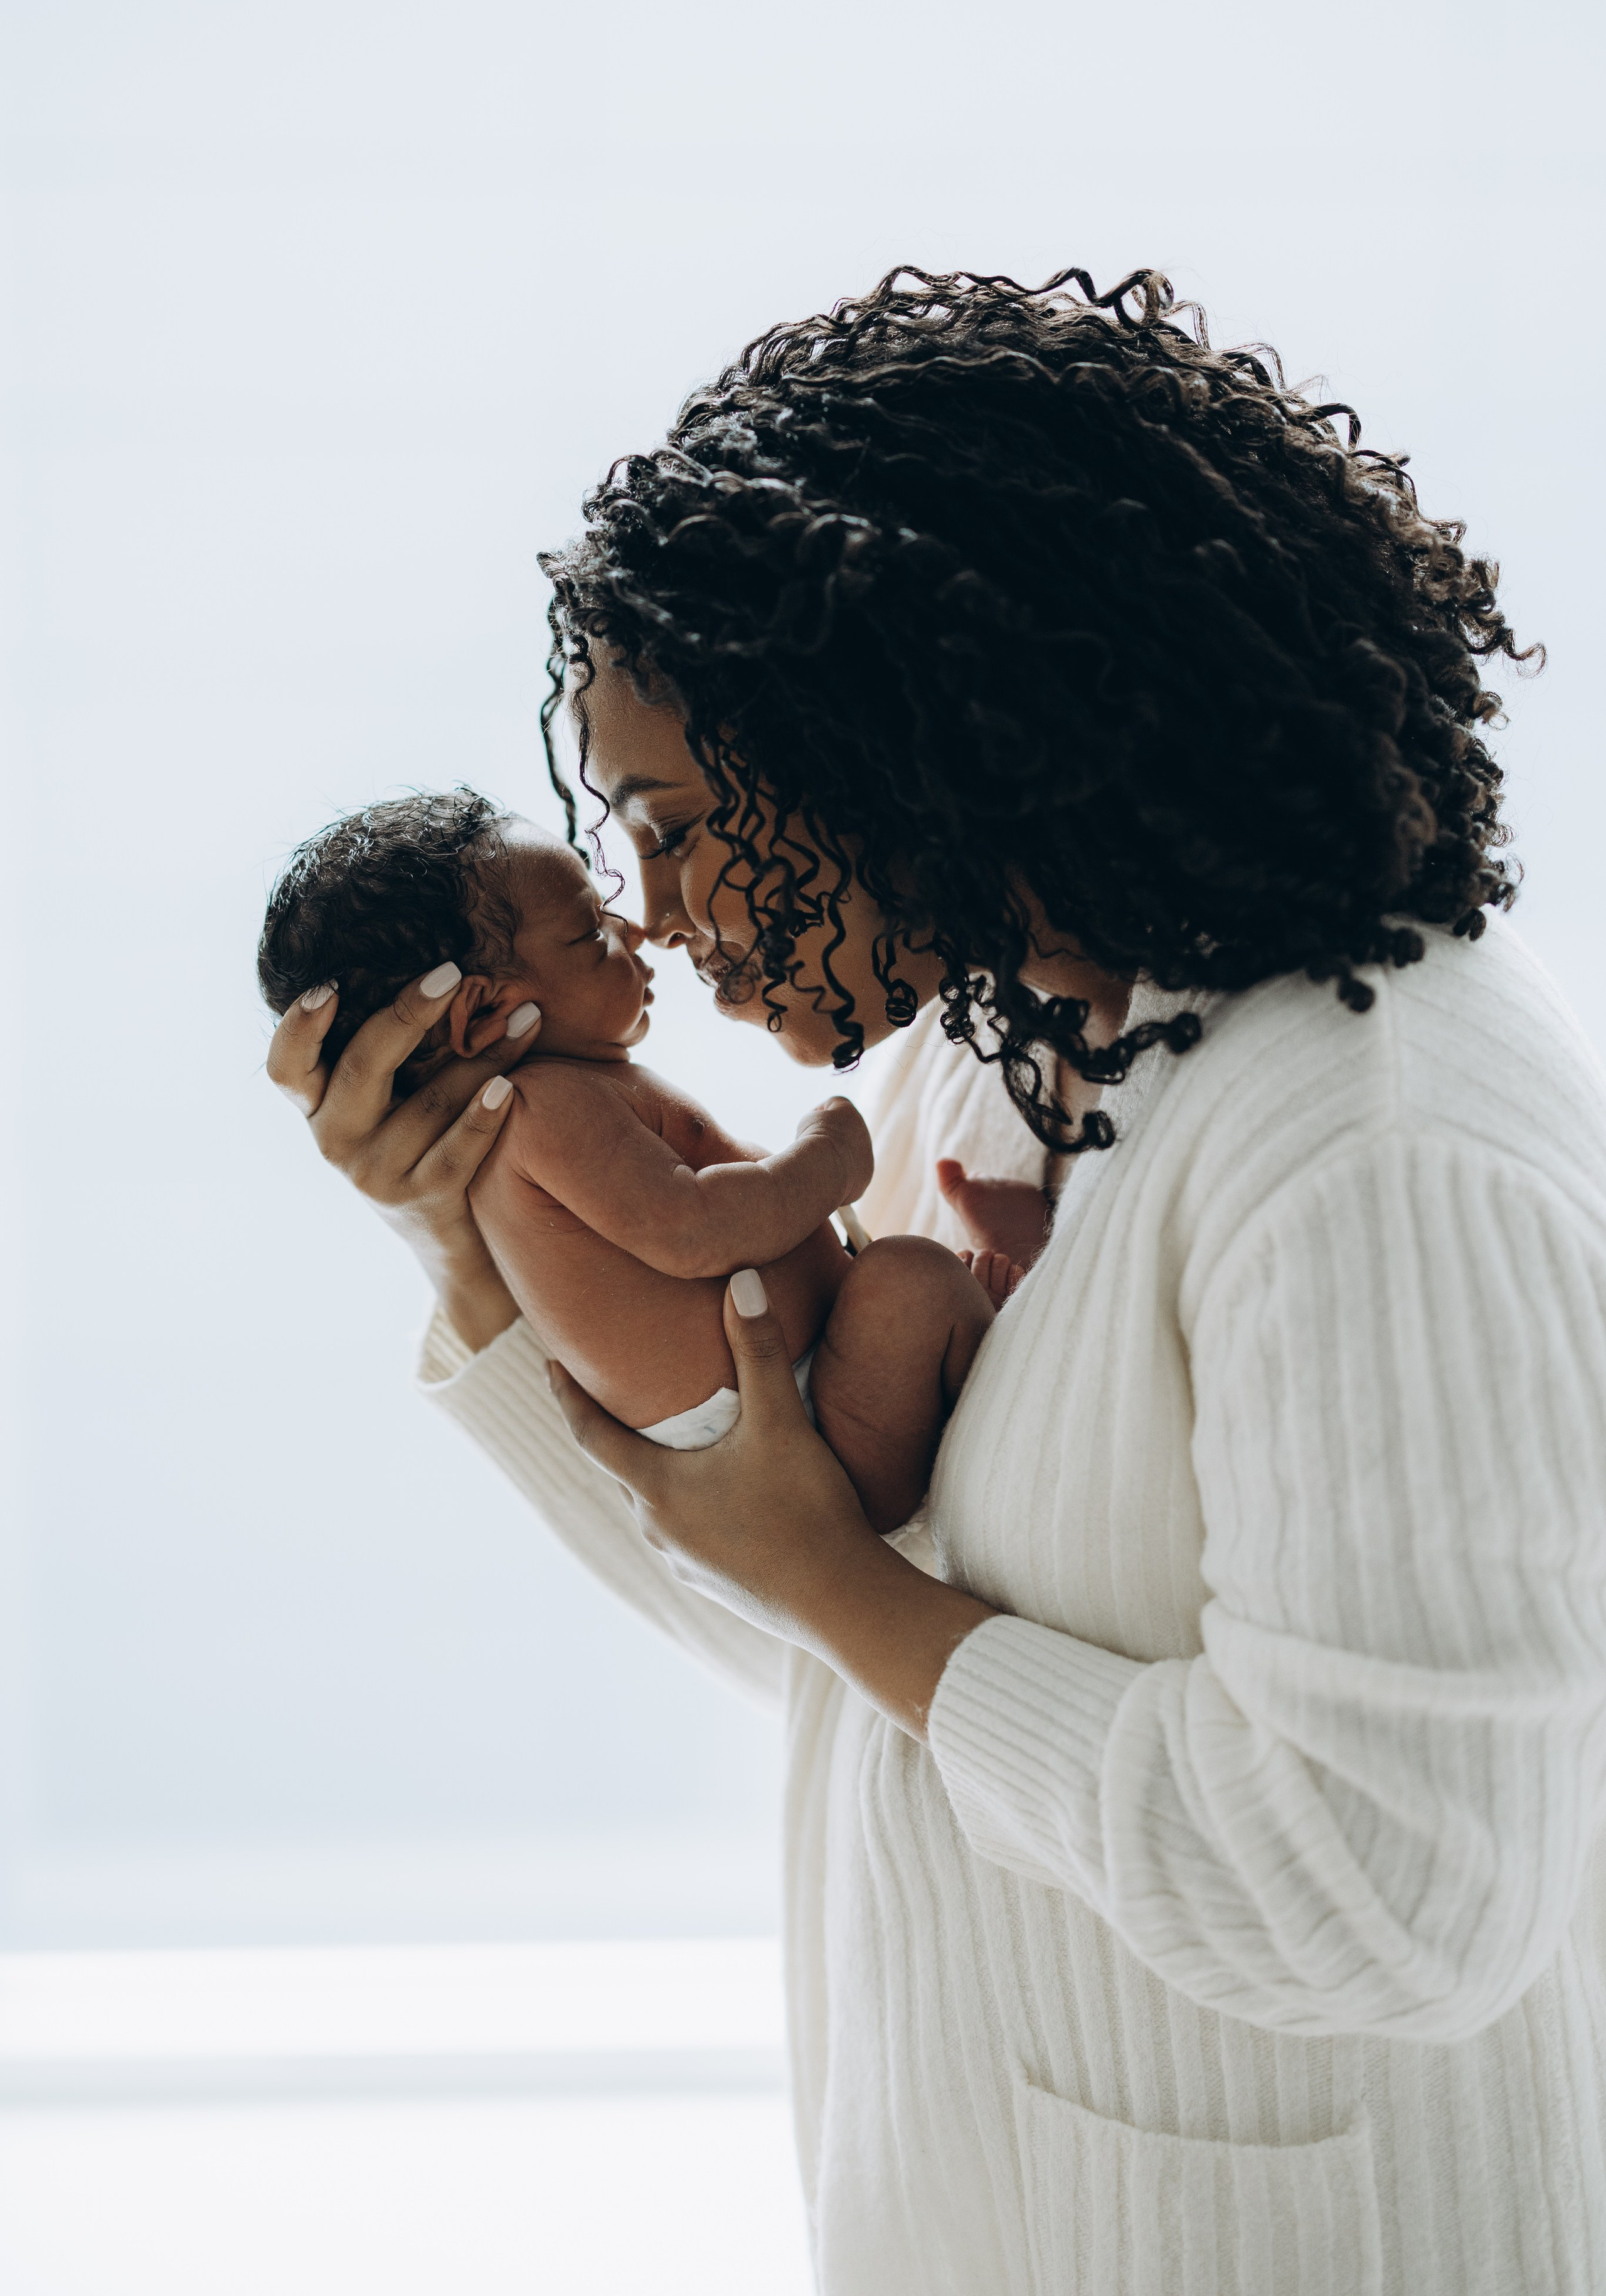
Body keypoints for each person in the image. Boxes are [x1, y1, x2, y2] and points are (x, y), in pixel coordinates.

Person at [268, 267, 1606, 2295]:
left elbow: (1390, 1903)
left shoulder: (1382, 1154)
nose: (656, 915)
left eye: (685, 823)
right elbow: (843, 1638)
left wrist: (843, 1588)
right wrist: (469, 1226)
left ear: (950, 744)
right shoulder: (987, 1055)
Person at [257, 790, 1008, 1528]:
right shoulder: (545, 1108)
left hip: (792, 1387)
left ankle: (975, 1333)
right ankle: (992, 1347)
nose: (635, 929)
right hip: (787, 1419)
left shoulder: (552, 1109)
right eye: (589, 931)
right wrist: (829, 1160)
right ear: (484, 1011)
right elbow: (692, 1230)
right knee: (911, 1282)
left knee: (917, 1291)